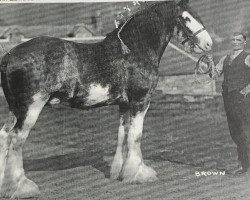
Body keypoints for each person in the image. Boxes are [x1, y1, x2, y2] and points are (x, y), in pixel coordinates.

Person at [207, 32, 250, 175]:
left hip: (243, 99)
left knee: (244, 130)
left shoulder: (248, 57)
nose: (235, 42)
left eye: (239, 40)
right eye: (233, 40)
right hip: (228, 98)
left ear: (244, 42)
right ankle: (243, 164)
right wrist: (207, 64)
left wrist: (246, 90)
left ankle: (243, 164)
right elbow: (214, 75)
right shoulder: (225, 58)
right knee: (235, 132)